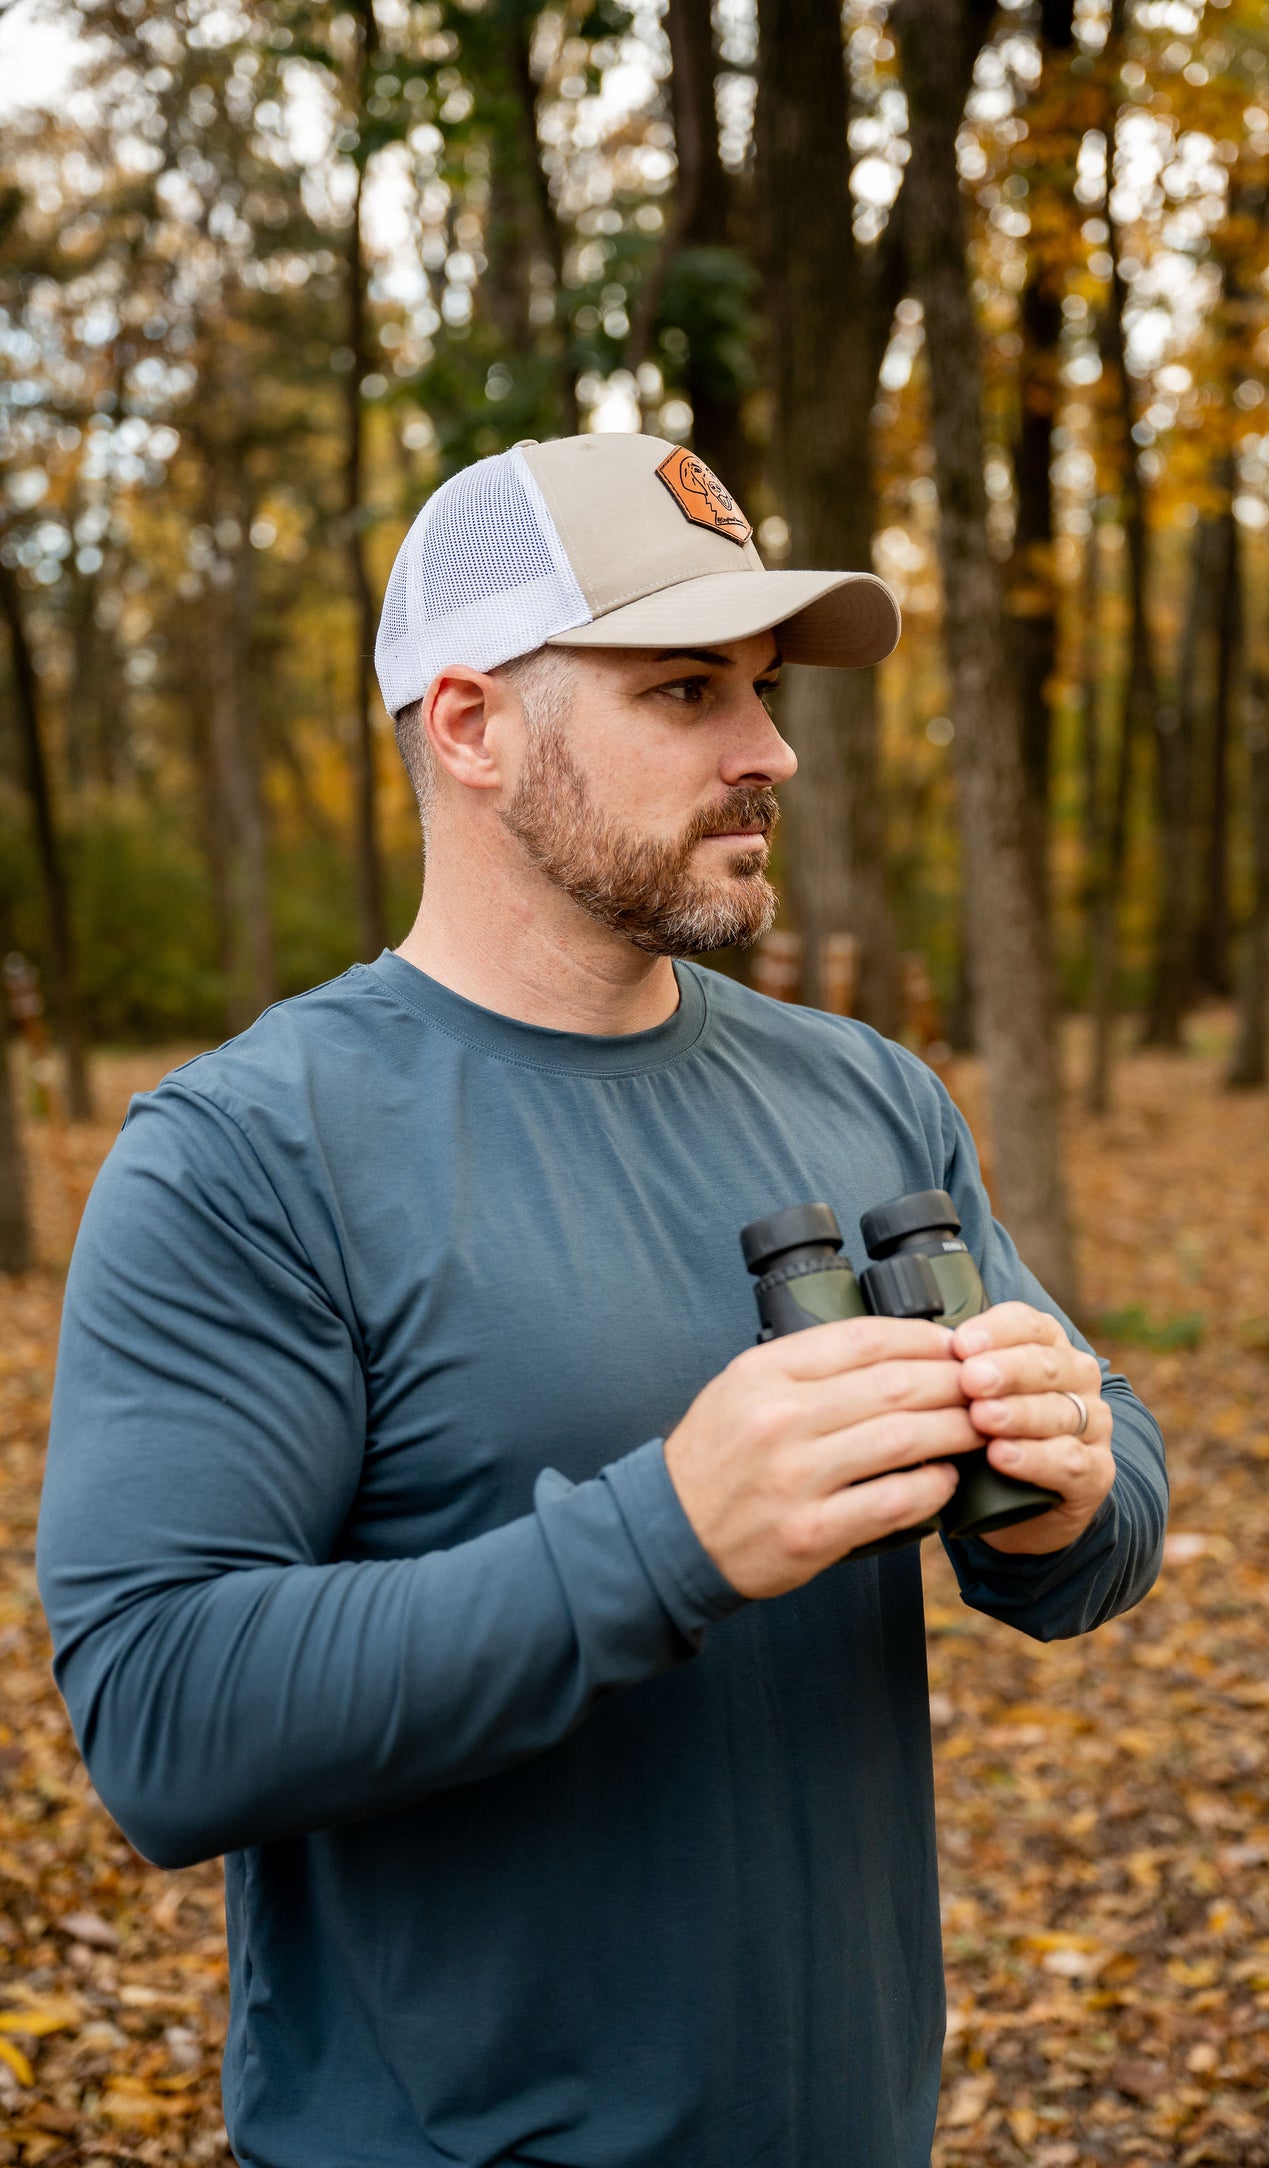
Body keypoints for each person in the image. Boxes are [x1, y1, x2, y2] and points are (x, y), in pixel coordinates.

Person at [38, 433, 1166, 2168]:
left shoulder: (863, 1093)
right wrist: (669, 1538)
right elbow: (164, 1715)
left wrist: (1071, 1489)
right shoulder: (250, 1153)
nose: (768, 750)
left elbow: (1100, 1495)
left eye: (765, 687)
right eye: (685, 690)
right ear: (470, 726)